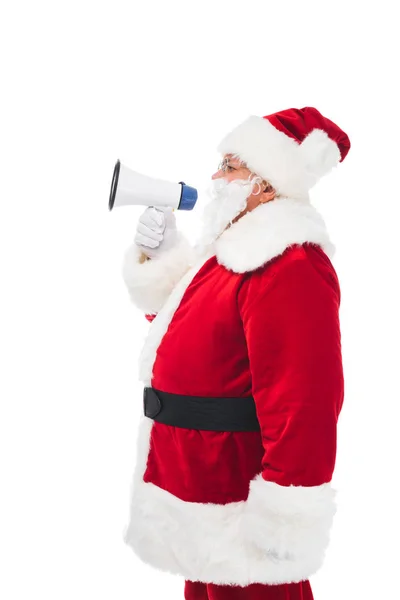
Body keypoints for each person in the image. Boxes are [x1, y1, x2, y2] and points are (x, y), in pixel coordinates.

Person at [121, 106, 351, 600]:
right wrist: (162, 257)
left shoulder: (288, 262)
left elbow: (305, 400)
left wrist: (283, 517)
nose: (215, 176)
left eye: (230, 165)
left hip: (239, 500)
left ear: (265, 184)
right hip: (200, 484)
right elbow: (190, 332)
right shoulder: (231, 252)